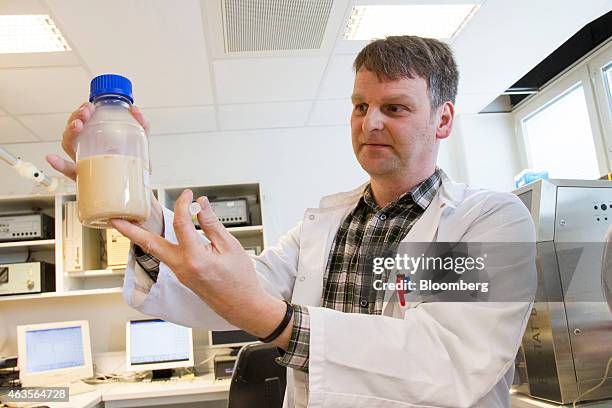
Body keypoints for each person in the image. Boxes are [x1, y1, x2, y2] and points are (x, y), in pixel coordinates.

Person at [47, 35, 536, 408]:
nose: (370, 123)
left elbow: (446, 359)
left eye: (395, 108)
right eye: (360, 106)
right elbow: (233, 290)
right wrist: (133, 204)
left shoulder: (484, 220)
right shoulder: (322, 224)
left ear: (443, 120)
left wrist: (276, 321)